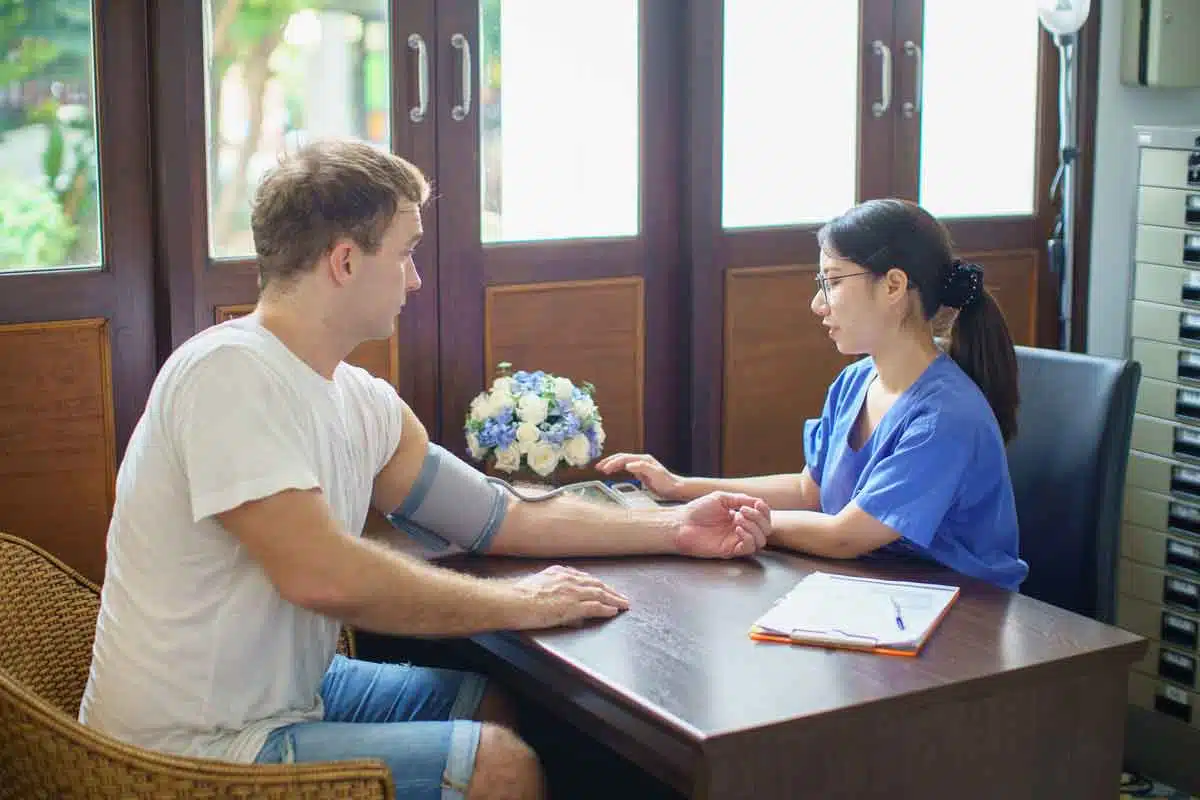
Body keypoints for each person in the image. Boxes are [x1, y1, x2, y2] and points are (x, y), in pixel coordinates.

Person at [77, 138, 772, 800]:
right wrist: (519, 602)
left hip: (291, 693)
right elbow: (322, 574)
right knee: (497, 768)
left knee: (493, 705)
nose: (415, 277)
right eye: (406, 253)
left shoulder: (360, 399)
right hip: (185, 747)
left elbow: (495, 516)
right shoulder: (228, 375)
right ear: (344, 262)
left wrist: (674, 525)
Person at [599, 198, 1029, 592]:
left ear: (894, 286)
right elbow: (810, 490)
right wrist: (681, 489)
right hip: (876, 588)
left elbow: (845, 535)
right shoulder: (855, 381)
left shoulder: (946, 417)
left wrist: (729, 520)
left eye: (834, 282)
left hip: (963, 615)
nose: (817, 305)